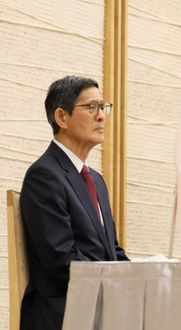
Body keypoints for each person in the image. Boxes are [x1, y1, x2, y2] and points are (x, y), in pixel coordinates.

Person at [19, 76, 129, 330]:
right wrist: (115, 284)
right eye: (91, 107)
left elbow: (112, 251)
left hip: (97, 307)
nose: (101, 116)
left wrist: (140, 279)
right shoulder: (44, 175)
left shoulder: (97, 181)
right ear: (62, 118)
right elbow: (62, 260)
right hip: (64, 315)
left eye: (103, 107)